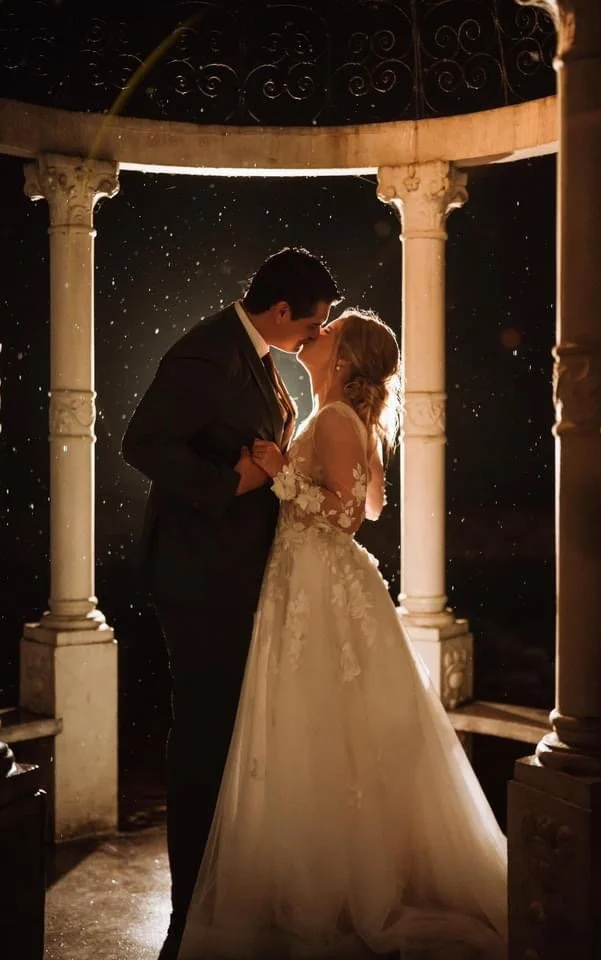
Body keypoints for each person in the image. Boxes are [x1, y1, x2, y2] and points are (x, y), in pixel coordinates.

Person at [177, 309, 508, 960]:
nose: (315, 334)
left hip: (319, 584)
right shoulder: (341, 420)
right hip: (310, 581)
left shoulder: (333, 419)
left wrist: (279, 474)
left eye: (329, 332)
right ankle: (334, 872)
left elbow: (351, 517)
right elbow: (375, 501)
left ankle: (330, 889)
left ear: (345, 359)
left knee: (316, 725)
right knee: (332, 731)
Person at [121, 247, 341, 960]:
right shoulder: (207, 353)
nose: (312, 339)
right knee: (205, 735)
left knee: (224, 732)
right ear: (280, 311)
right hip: (198, 577)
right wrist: (236, 480)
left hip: (232, 573)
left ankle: (218, 884)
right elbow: (143, 442)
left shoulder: (251, 356)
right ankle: (190, 905)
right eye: (310, 326)